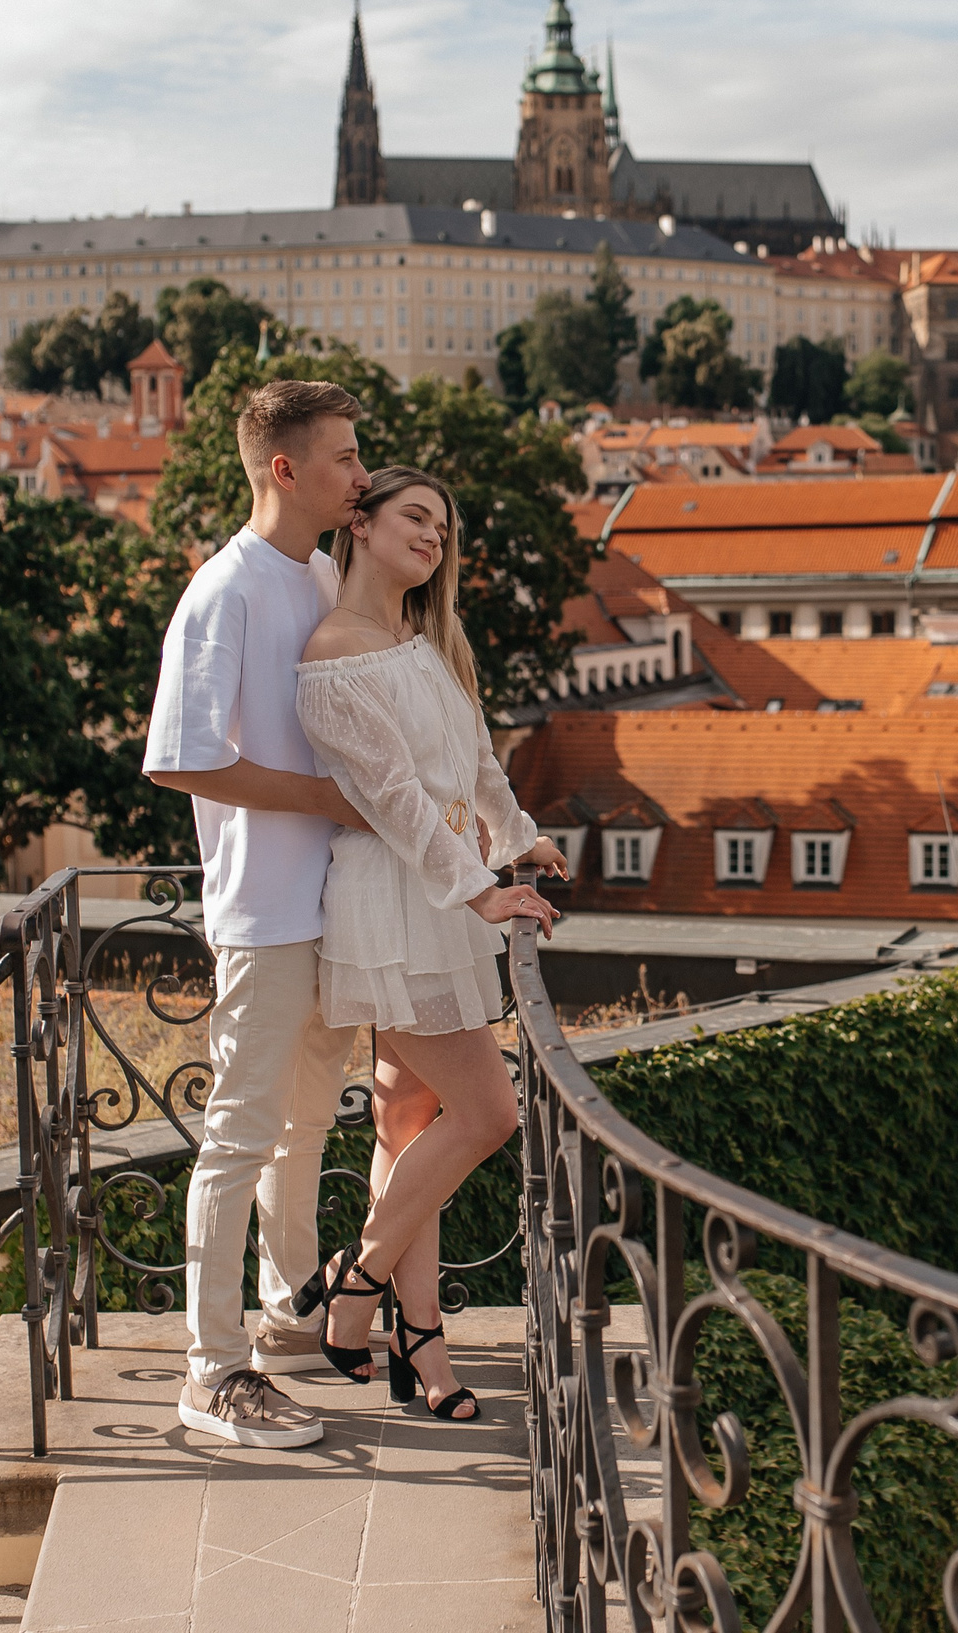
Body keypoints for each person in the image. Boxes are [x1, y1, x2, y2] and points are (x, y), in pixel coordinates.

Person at [292, 465, 565, 1422]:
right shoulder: (332, 654)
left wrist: (515, 831)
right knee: (490, 1111)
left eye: (444, 529)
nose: (433, 538)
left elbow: (476, 760)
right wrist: (483, 888)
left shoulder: (424, 641)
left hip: (440, 897)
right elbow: (395, 804)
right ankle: (355, 1277)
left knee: (409, 1126)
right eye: (416, 518)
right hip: (393, 901)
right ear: (359, 524)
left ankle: (421, 1341)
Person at [141, 379, 375, 1449]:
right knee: (238, 1135)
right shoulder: (226, 590)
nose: (360, 475)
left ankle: (287, 1305)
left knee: (307, 1121)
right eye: (341, 457)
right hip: (264, 908)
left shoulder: (320, 569)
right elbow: (181, 757)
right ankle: (212, 1368)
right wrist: (323, 799)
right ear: (284, 469)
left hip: (329, 900)